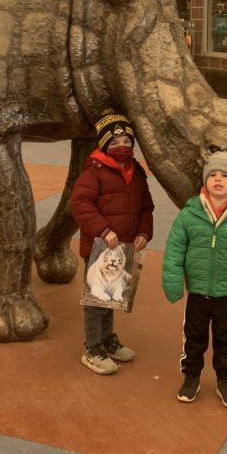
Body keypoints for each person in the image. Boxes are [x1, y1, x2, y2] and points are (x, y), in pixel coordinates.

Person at [161, 150, 227, 408]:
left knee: (224, 340)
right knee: (193, 338)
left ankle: (225, 380)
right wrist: (173, 284)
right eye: (213, 175)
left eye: (225, 176)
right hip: (197, 293)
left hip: (226, 295)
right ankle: (191, 377)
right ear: (205, 181)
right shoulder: (189, 216)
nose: (218, 180)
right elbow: (174, 251)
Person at [70, 109, 154, 375]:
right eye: (115, 143)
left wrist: (143, 232)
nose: (122, 147)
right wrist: (104, 231)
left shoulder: (136, 171)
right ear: (104, 144)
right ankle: (92, 348)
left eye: (127, 142)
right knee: (97, 300)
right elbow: (80, 203)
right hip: (101, 248)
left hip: (124, 247)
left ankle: (107, 340)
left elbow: (145, 206)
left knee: (112, 297)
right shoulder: (94, 170)